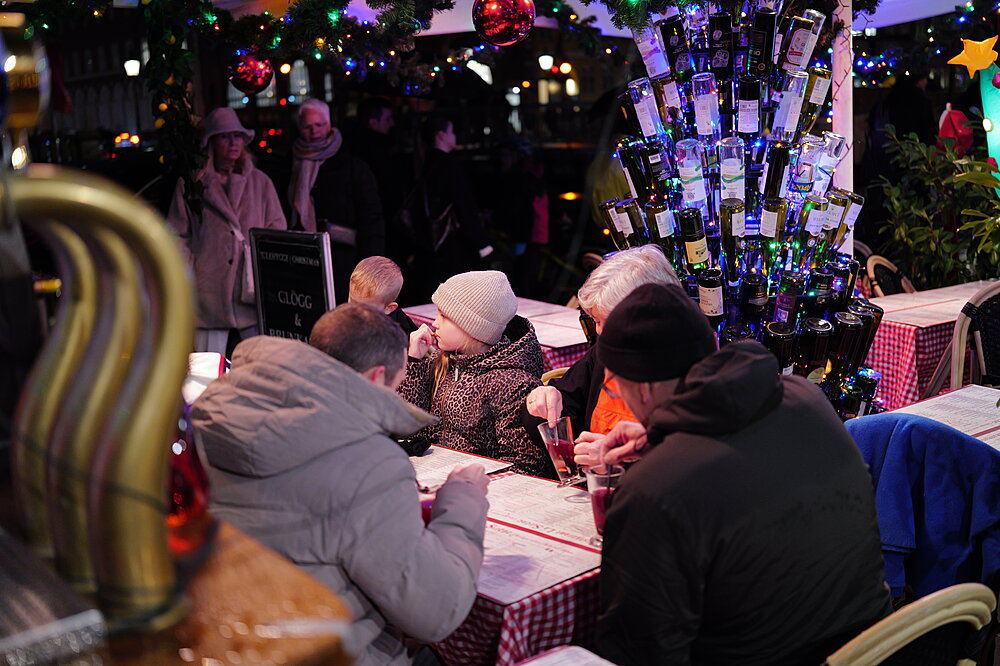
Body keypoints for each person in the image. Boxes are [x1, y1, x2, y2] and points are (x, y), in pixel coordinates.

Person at [587, 283, 891, 665]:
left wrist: (666, 458)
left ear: (644, 389)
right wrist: (664, 437)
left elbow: (638, 650)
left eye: (615, 386)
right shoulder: (805, 396)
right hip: (880, 645)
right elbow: (751, 455)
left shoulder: (654, 488)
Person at [191, 302, 489, 665]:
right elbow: (438, 611)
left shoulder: (208, 409)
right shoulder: (368, 463)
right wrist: (463, 501)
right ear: (376, 377)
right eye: (395, 388)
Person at [396, 270, 547, 476]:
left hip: (479, 491)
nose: (435, 323)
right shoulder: (441, 362)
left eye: (444, 316)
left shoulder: (511, 383)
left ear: (473, 328)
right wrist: (414, 362)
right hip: (431, 476)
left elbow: (525, 465)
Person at [521, 245, 680, 439]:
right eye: (596, 321)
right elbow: (565, 409)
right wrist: (542, 402)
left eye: (610, 322)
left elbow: (681, 457)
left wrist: (617, 455)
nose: (601, 333)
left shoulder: (686, 371)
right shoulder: (603, 354)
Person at [167, 106, 286, 355]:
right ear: (211, 142)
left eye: (237, 136)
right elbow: (177, 234)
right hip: (209, 289)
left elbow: (277, 229)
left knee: (258, 366)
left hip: (250, 290)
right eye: (224, 136)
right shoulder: (191, 184)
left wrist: (261, 265)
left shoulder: (260, 182)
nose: (233, 142)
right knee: (206, 369)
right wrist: (191, 270)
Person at [289, 98, 384, 304]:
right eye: (307, 126)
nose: (314, 131)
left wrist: (371, 266)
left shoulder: (352, 165)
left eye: (319, 125)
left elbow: (371, 217)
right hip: (306, 258)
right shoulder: (291, 165)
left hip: (345, 259)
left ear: (329, 124)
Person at [400, 114, 493, 303]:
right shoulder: (449, 165)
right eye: (452, 132)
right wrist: (482, 242)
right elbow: (464, 206)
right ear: (441, 135)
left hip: (429, 243)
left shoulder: (423, 164)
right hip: (453, 244)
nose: (455, 136)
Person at [349, 256, 418, 335]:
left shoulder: (397, 334)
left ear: (388, 308)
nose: (355, 311)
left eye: (366, 308)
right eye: (352, 301)